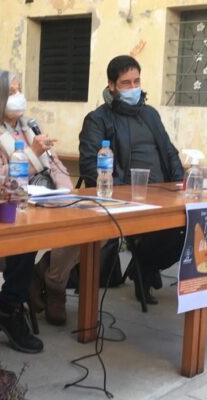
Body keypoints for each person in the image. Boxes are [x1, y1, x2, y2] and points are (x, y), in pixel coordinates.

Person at [0, 69, 76, 332]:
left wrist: (67, 194)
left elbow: (57, 166)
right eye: (11, 91)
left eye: (19, 90)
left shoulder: (30, 127)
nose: (18, 96)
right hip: (11, 211)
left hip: (47, 203)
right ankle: (9, 308)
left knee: (91, 230)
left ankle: (50, 277)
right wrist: (32, 153)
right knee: (24, 241)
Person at [79, 55, 185, 304]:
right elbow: (90, 165)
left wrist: (182, 185)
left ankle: (144, 266)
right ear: (112, 85)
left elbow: (169, 152)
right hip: (128, 198)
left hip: (165, 193)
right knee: (164, 230)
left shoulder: (150, 115)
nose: (133, 87)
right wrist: (121, 192)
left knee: (193, 227)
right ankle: (145, 268)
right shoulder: (98, 119)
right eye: (126, 83)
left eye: (136, 81)